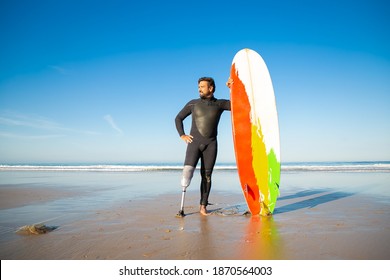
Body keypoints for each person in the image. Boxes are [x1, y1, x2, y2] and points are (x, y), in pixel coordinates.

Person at [175, 77, 233, 215]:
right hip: (194, 144)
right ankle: (181, 208)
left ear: (211, 88)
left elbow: (236, 105)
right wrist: (182, 135)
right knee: (186, 174)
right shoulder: (193, 104)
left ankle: (203, 206)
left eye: (202, 86)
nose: (199, 89)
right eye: (199, 86)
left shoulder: (220, 104)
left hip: (211, 145)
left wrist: (232, 89)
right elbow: (178, 118)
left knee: (207, 176)